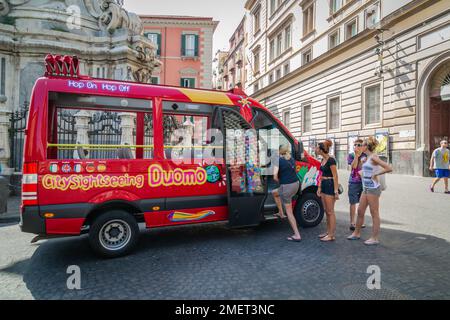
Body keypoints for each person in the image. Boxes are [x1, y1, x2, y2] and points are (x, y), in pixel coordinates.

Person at [347, 137, 392, 246]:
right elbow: (359, 169)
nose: (359, 147)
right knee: (361, 211)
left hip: (373, 189)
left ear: (366, 146)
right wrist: (362, 171)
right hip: (365, 188)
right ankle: (356, 233)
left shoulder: (373, 157)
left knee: (374, 213)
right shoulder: (365, 158)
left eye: (361, 145)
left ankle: (375, 238)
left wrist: (376, 174)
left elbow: (388, 168)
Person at [272, 145, 301, 242]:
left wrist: (281, 179)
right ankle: (280, 212)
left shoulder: (278, 161)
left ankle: (297, 234)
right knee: (275, 193)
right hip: (296, 184)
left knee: (289, 212)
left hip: (287, 187)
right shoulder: (291, 159)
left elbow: (275, 177)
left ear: (279, 151)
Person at [316, 139, 339, 242]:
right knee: (326, 211)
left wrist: (335, 191)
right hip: (324, 185)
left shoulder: (331, 160)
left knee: (330, 212)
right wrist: (319, 187)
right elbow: (321, 175)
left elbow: (335, 176)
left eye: (317, 147)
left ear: (321, 150)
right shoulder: (322, 160)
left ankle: (331, 235)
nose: (315, 149)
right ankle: (328, 232)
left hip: (330, 185)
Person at [347, 139, 367, 231]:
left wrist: (361, 157)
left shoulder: (365, 156)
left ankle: (360, 221)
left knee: (362, 203)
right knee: (353, 202)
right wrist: (356, 156)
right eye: (355, 145)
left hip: (363, 182)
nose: (357, 146)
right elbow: (354, 167)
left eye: (359, 145)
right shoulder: (351, 155)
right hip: (353, 182)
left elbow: (362, 168)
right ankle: (352, 222)